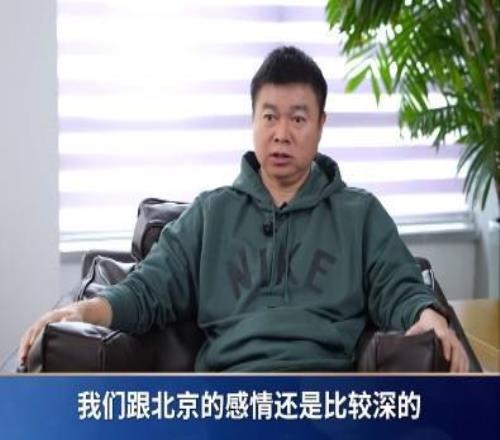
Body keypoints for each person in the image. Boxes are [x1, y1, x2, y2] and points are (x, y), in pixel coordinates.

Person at [19, 46, 469, 372]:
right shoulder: (211, 214)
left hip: (327, 397)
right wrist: (83, 312)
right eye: (269, 116)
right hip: (227, 400)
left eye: (298, 118)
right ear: (253, 120)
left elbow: (399, 286)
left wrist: (429, 315)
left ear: (321, 124)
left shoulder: (359, 214)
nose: (281, 134)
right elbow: (147, 290)